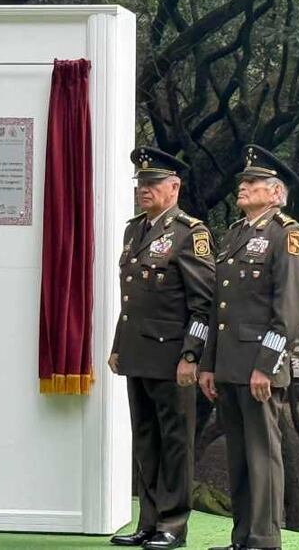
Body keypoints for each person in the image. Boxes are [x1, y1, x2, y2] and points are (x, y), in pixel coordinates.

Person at [198, 144, 299, 550]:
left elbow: (290, 309)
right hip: (229, 364)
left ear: (276, 192)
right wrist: (208, 364)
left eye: (252, 182)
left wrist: (267, 364)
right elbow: (218, 308)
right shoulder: (236, 234)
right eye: (243, 182)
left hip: (259, 366)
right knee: (240, 457)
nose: (242, 187)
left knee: (263, 456)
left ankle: (263, 539)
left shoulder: (287, 235)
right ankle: (242, 536)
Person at [108, 146, 216, 550]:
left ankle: (173, 523)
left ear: (174, 187)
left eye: (153, 184)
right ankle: (148, 521)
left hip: (172, 357)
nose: (144, 190)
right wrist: (119, 344)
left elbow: (203, 303)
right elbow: (132, 299)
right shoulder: (134, 229)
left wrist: (191, 355)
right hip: (138, 353)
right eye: (142, 184)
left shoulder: (191, 233)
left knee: (175, 442)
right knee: (145, 439)